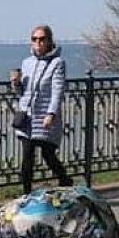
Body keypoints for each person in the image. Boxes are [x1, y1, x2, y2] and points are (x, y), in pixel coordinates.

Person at [12, 25, 73, 192]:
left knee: (48, 154)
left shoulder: (57, 63)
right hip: (27, 118)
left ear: (49, 41)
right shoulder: (26, 63)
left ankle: (65, 181)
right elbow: (22, 93)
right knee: (27, 157)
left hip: (45, 117)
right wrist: (16, 84)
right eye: (34, 39)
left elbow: (57, 90)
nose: (37, 42)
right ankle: (26, 194)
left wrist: (51, 114)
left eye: (41, 39)